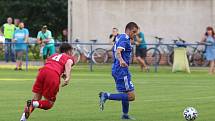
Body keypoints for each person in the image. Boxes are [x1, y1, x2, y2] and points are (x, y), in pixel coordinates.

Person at [20, 43, 75, 121]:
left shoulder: (53, 55)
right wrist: (68, 77)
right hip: (52, 75)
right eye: (72, 51)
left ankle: (23, 119)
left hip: (42, 71)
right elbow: (68, 63)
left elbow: (54, 65)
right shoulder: (69, 57)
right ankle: (34, 104)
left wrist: (62, 73)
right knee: (49, 103)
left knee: (36, 97)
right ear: (69, 51)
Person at [99, 22, 138, 120]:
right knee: (131, 96)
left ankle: (125, 115)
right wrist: (121, 61)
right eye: (133, 32)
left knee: (125, 93)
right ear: (128, 30)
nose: (134, 34)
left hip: (117, 69)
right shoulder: (124, 39)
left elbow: (116, 44)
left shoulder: (120, 36)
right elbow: (118, 52)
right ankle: (106, 95)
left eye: (136, 32)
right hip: (122, 70)